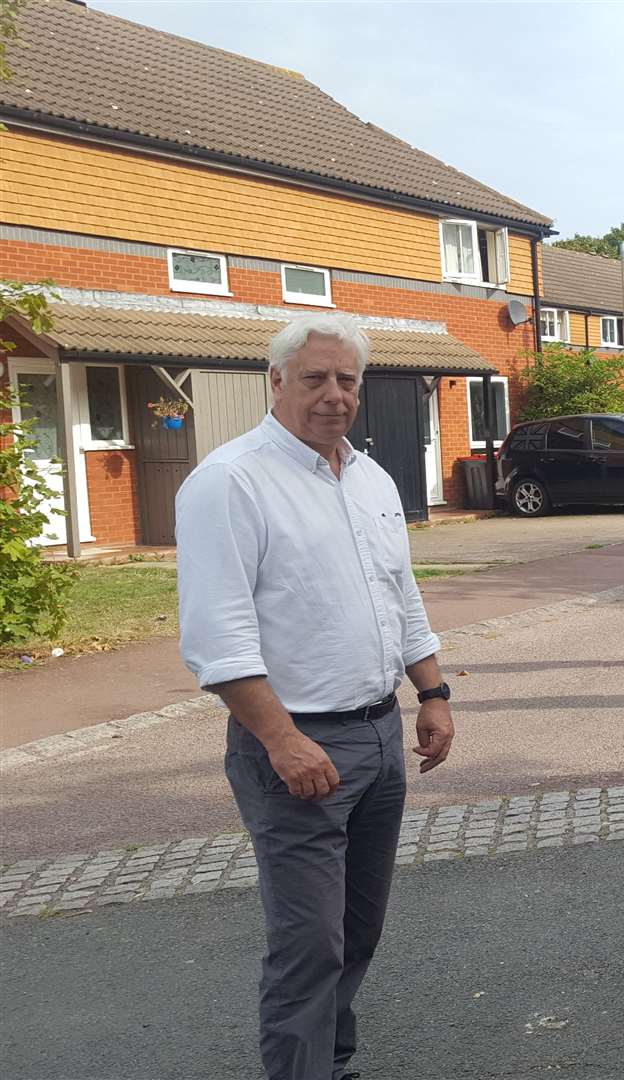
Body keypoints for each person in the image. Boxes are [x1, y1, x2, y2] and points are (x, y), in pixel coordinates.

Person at [175, 313, 455, 1080]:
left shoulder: (369, 478)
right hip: (297, 746)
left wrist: (432, 691)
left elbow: (399, 597)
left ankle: (331, 1062)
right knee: (309, 946)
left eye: (347, 381)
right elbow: (217, 637)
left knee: (357, 932)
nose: (334, 395)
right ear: (275, 381)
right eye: (315, 379)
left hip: (379, 736)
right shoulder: (230, 481)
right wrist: (280, 739)